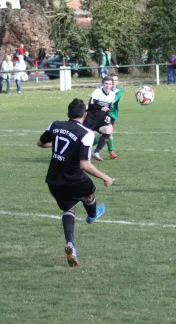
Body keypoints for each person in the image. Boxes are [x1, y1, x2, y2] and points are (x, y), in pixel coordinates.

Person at [37, 98, 113, 267]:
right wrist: (105, 177)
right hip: (73, 177)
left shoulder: (55, 125)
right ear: (84, 115)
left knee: (68, 207)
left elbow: (40, 143)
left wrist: (57, 143)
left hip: (53, 178)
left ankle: (70, 243)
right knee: (90, 191)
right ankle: (92, 214)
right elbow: (84, 164)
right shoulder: (86, 133)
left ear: (67, 114)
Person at [83, 77, 116, 161]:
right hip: (90, 118)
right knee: (84, 138)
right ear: (102, 84)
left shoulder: (112, 94)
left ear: (112, 85)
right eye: (106, 84)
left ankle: (96, 152)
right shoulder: (97, 92)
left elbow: (108, 107)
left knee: (109, 130)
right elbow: (90, 105)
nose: (107, 86)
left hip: (101, 119)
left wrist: (108, 115)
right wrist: (101, 107)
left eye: (109, 84)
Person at [106, 73, 123, 159]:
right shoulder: (104, 89)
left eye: (116, 80)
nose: (114, 82)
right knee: (108, 132)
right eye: (112, 80)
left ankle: (90, 149)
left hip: (113, 114)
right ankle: (111, 152)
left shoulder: (119, 90)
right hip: (106, 114)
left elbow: (114, 100)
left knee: (103, 134)